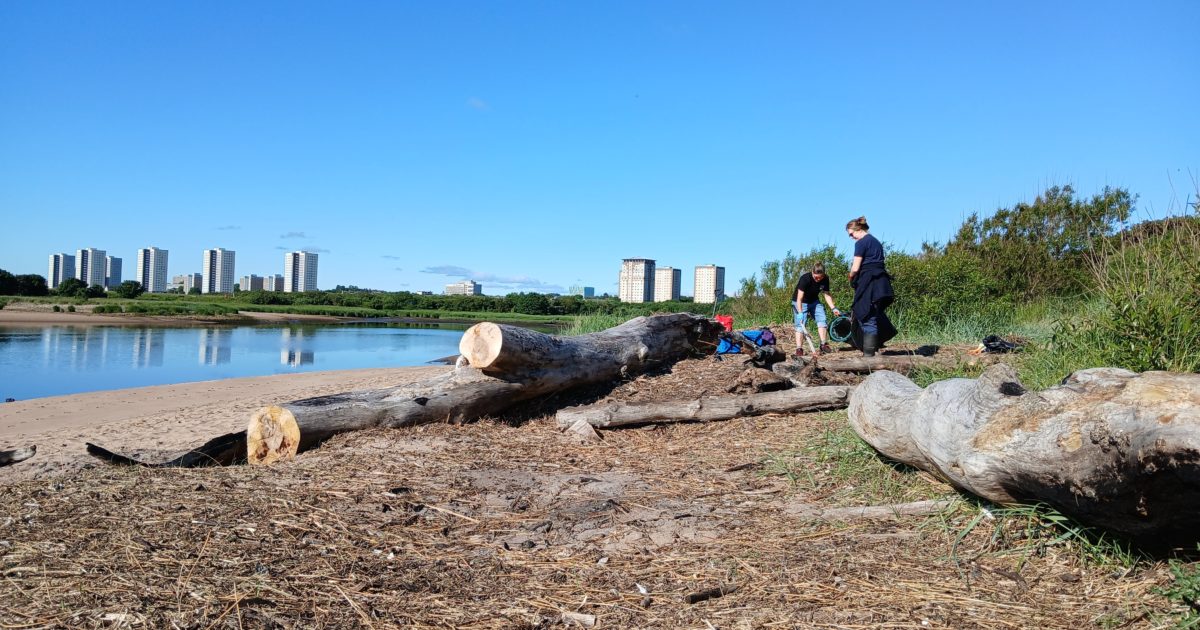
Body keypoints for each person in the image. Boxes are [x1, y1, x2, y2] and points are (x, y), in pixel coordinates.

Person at [846, 216, 896, 356]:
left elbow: (855, 267)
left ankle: (869, 356)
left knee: (866, 316)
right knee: (873, 314)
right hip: (881, 283)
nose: (851, 237)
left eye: (851, 234)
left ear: (859, 229)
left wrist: (851, 276)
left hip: (870, 283)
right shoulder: (876, 242)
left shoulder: (861, 243)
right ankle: (874, 348)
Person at [791, 262, 841, 357]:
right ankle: (799, 349)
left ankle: (823, 344)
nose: (818, 279)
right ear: (812, 272)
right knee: (800, 324)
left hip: (814, 301)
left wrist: (833, 308)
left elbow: (826, 294)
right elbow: (799, 298)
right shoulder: (805, 279)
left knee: (822, 319)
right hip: (800, 302)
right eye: (816, 277)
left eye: (820, 277)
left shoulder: (825, 279)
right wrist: (800, 312)